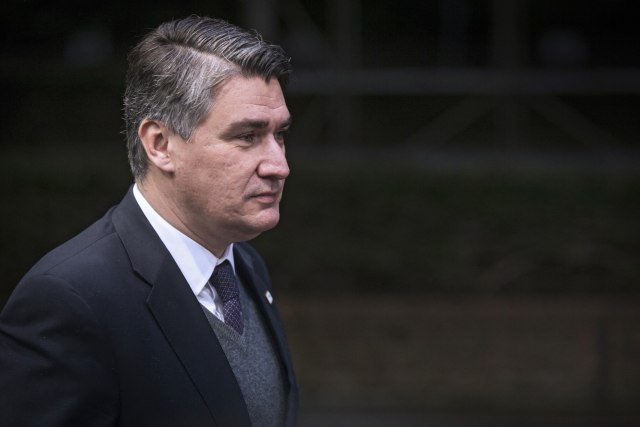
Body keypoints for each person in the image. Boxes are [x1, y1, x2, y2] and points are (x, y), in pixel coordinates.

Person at [0, 16, 298, 427]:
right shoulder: (70, 300)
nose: (279, 165)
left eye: (279, 135)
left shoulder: (245, 267)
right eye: (247, 136)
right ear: (160, 145)